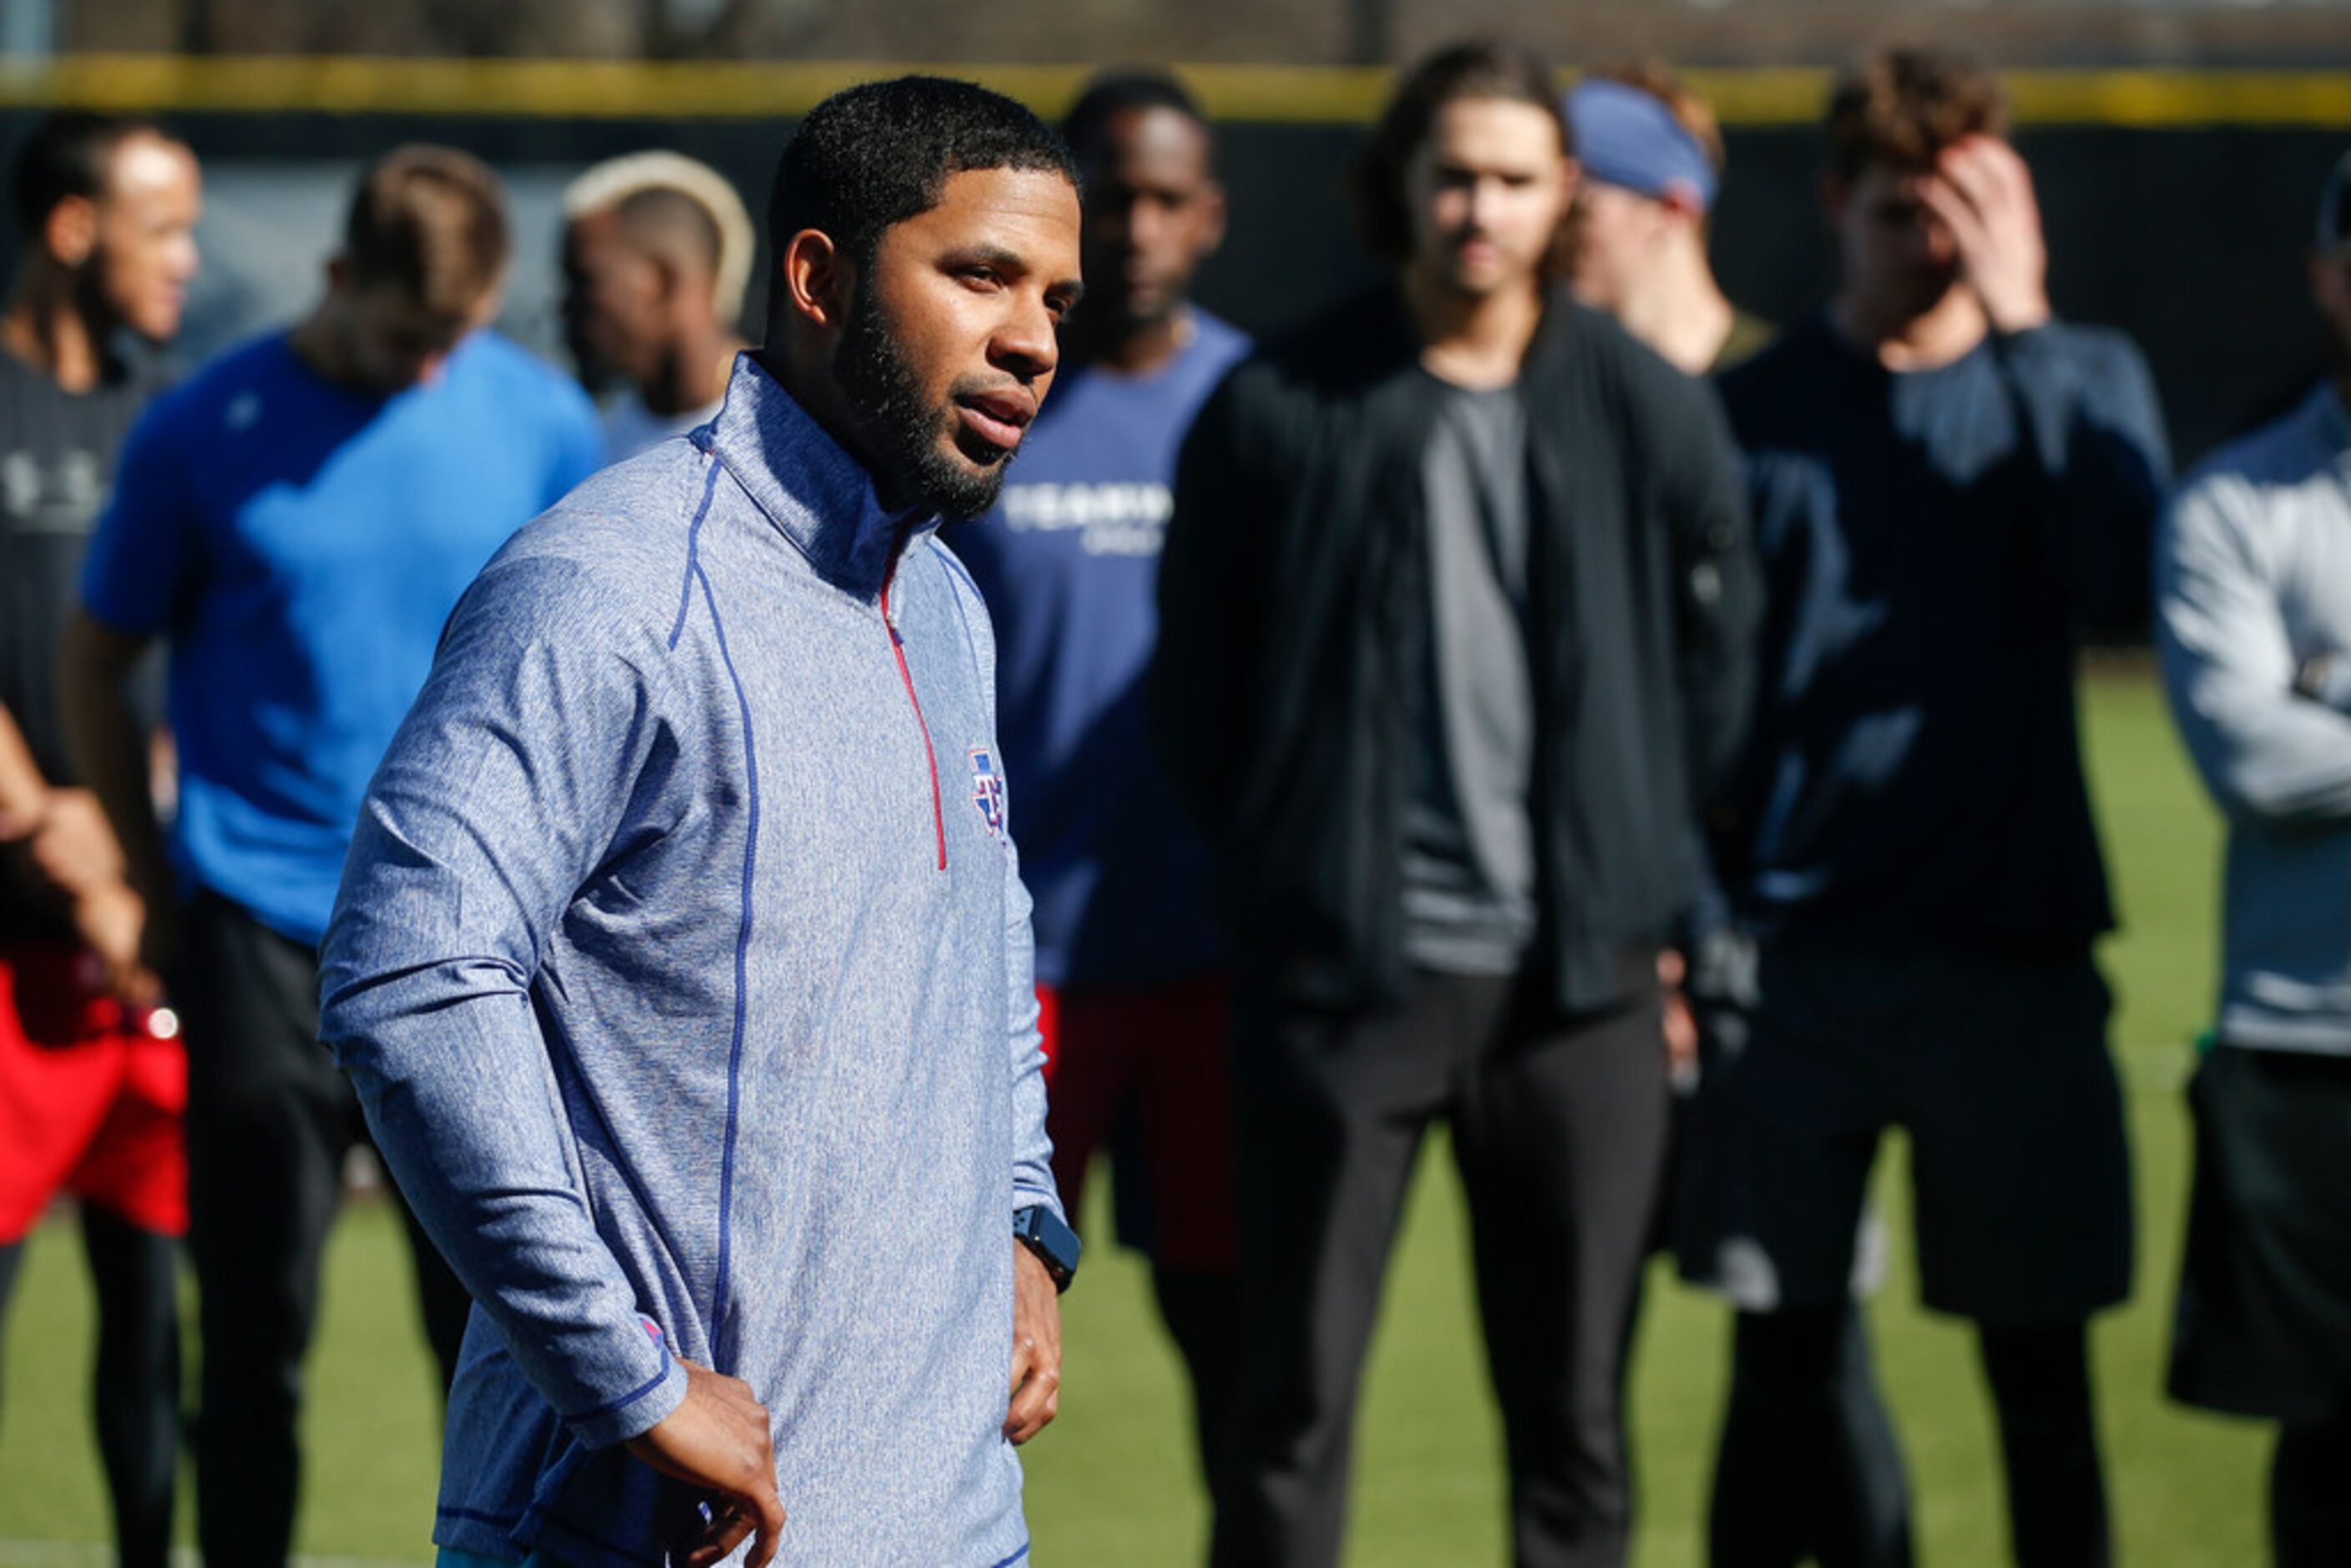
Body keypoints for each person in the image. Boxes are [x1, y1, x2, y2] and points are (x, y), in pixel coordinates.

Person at [318, 76, 1084, 1566]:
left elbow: (977, 930)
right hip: (656, 1539)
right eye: (979, 274)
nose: (1036, 336)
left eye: (1055, 294)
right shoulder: (606, 591)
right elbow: (409, 972)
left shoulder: (940, 596)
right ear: (817, 278)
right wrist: (624, 1367)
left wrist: (1018, 1216)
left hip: (957, 1527)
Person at [1156, 39, 1761, 1567]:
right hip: (1341, 986)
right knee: (1288, 1409)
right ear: (1402, 188)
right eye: (1451, 174)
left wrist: (1636, 873)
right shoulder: (1281, 404)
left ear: (1564, 193)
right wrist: (1291, 873)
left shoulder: (1645, 408)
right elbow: (1200, 694)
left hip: (1582, 998)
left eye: (1510, 176)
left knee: (1575, 1425)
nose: (1477, 208)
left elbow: (1714, 676)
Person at [60, 144, 604, 1565]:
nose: (433, 368)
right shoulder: (201, 429)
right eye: (405, 333)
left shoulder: (545, 422)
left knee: (505, 1349)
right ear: (338, 278)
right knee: (254, 1341)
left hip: (479, 954)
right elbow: (95, 652)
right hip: (260, 931)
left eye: (459, 337)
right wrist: (135, 871)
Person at [1679, 46, 2169, 1568]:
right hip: (1790, 963)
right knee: (1784, 1375)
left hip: (2007, 962)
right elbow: (1687, 700)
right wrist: (1693, 930)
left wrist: (2023, 319)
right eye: (1902, 210)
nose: (1933, 243)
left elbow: (2122, 580)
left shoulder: (2075, 380)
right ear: (1837, 203)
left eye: (1965, 210)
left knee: (2041, 1387)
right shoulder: (1748, 411)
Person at [1560, 63, 1920, 1565]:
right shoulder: (1543, 411)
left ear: (1666, 203)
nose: (1517, 224)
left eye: (1561, 195)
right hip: (1592, 964)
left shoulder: (1792, 403)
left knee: (1802, 1343)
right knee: (1578, 1367)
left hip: (1765, 960)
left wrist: (1704, 929)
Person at [952, 68, 1250, 1500]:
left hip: (1212, 958)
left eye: (1162, 197)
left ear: (1211, 215)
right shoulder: (987, 395)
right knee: (968, 1354)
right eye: (1108, 196)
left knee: (1244, 1358)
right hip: (1015, 968)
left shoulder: (1263, 407)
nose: (1135, 226)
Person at [0, 109, 197, 1568]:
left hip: (142, 953)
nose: (189, 259)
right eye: (164, 227)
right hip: (18, 956)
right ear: (74, 229)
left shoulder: (161, 414)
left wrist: (145, 851)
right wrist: (56, 831)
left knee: (153, 1319)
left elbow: (184, 655)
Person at [2159, 146, 2351, 1568]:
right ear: (2327, 273)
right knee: (2329, 1448)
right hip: (2305, 1047)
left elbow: (2306, 746)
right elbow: (2250, 758)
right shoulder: (2239, 502)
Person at [1561, 65, 1771, 376]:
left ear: (1673, 208)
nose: (1553, 233)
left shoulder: (1781, 384)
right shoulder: (1550, 386)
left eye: (1576, 208)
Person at [559, 150, 755, 463]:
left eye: (584, 281)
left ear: (662, 281)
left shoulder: (773, 431)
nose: (565, 307)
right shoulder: (606, 437)